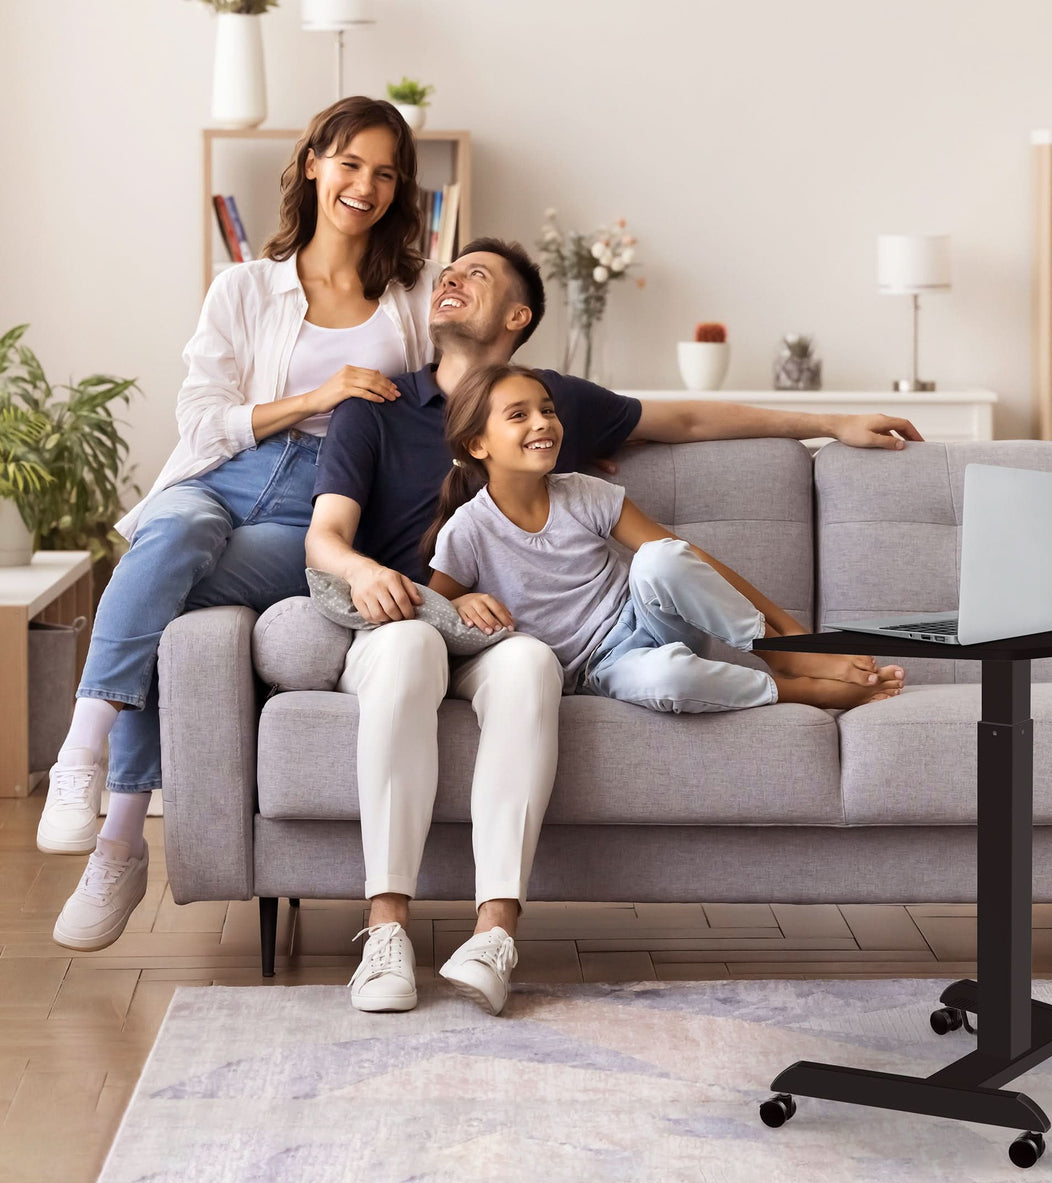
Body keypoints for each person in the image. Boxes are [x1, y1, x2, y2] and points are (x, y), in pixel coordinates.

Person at [306, 237, 917, 1016]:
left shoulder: (553, 411)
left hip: (514, 639)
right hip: (409, 616)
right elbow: (324, 541)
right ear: (474, 442)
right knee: (413, 649)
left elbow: (690, 418)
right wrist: (376, 578)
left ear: (517, 317)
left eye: (477, 274)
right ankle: (387, 928)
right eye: (447, 271)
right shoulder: (377, 408)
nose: (450, 277)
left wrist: (831, 423)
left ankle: (495, 933)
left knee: (530, 665)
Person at [36, 96, 442, 953]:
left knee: (171, 605)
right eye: (348, 163)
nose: (363, 185)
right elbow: (200, 419)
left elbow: (452, 395)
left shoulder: (408, 300)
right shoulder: (248, 286)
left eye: (384, 172)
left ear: (399, 189)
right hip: (222, 473)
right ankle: (83, 751)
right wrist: (317, 396)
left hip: (319, 503)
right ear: (310, 165)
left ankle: (118, 843)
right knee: (172, 541)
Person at [422, 364, 904, 716]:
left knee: (659, 557)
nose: (543, 422)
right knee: (669, 678)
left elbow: (686, 563)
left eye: (547, 410)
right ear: (477, 444)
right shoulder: (468, 530)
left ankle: (785, 656)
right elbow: (436, 615)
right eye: (519, 415)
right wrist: (463, 602)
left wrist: (795, 636)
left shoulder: (584, 493)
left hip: (652, 618)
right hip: (602, 670)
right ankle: (803, 691)